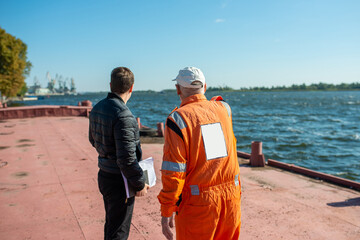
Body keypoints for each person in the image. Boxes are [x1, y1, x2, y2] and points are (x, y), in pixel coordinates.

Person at [157, 67, 241, 240]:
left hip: (198, 205)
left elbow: (174, 171)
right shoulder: (224, 109)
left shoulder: (178, 119)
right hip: (231, 199)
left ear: (178, 89)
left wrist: (167, 210)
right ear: (205, 87)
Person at [89, 67, 149, 240]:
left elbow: (93, 140)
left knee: (112, 225)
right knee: (119, 232)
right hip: (119, 181)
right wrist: (139, 183)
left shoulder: (98, 107)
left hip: (104, 175)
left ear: (110, 85)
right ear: (131, 88)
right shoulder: (124, 115)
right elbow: (127, 160)